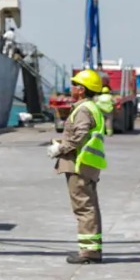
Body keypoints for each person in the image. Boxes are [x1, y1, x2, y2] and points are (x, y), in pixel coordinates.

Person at [47, 69, 109, 264]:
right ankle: (92, 248)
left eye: (74, 85)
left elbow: (79, 135)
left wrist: (60, 149)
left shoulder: (83, 109)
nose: (71, 88)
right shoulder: (92, 107)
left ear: (81, 90)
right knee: (89, 207)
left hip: (79, 164)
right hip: (88, 164)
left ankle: (89, 252)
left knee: (83, 208)